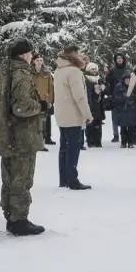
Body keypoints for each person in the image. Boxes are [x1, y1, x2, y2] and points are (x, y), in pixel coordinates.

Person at [0, 39, 45, 236]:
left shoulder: (3, 72)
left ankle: (11, 216)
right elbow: (21, 107)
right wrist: (40, 106)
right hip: (22, 135)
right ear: (24, 55)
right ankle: (19, 220)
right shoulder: (21, 74)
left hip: (7, 134)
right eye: (30, 53)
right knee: (21, 178)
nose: (32, 56)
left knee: (9, 177)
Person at [53, 46, 93, 190]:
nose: (81, 55)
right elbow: (80, 97)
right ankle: (72, 180)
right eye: (78, 53)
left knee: (64, 147)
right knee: (73, 148)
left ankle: (63, 178)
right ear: (72, 55)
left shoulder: (58, 70)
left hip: (62, 114)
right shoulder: (74, 72)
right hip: (73, 115)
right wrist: (87, 115)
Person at [111, 54, 136, 148]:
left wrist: (132, 100)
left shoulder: (134, 88)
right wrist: (123, 98)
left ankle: (131, 142)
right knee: (123, 128)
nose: (127, 81)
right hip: (122, 110)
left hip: (131, 111)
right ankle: (123, 142)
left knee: (131, 128)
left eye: (129, 79)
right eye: (126, 79)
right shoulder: (119, 87)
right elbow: (116, 97)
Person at [108, 52, 132, 144]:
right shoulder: (112, 71)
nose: (119, 60)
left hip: (126, 96)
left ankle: (127, 136)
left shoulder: (127, 70)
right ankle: (116, 135)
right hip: (115, 96)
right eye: (117, 58)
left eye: (121, 58)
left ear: (123, 60)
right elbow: (108, 83)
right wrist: (110, 94)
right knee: (114, 117)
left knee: (126, 117)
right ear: (115, 60)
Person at [33, 53, 57, 147]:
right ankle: (36, 140)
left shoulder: (47, 72)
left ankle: (45, 139)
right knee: (35, 121)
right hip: (33, 99)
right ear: (33, 61)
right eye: (37, 60)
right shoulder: (29, 71)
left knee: (45, 121)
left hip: (44, 99)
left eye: (41, 60)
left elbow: (51, 87)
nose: (39, 62)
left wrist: (50, 100)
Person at [85, 62, 106, 148]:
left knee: (98, 123)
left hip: (98, 105)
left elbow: (105, 89)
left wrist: (103, 88)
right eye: (92, 69)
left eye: (95, 69)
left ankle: (98, 141)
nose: (94, 71)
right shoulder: (86, 79)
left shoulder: (99, 79)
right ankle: (90, 141)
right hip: (89, 103)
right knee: (89, 124)